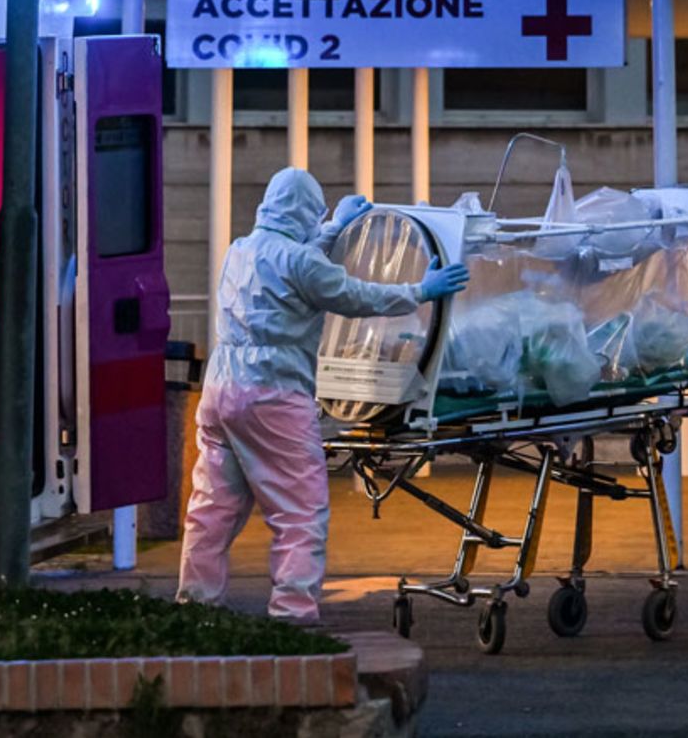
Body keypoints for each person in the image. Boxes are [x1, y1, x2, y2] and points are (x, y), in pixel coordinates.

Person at [177, 167, 469, 622]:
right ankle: (293, 616)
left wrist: (333, 228)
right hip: (273, 393)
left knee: (212, 511)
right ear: (307, 212)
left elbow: (294, 265)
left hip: (221, 390)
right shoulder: (302, 262)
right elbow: (353, 295)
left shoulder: (241, 250)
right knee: (299, 513)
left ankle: (194, 607)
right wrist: (421, 291)